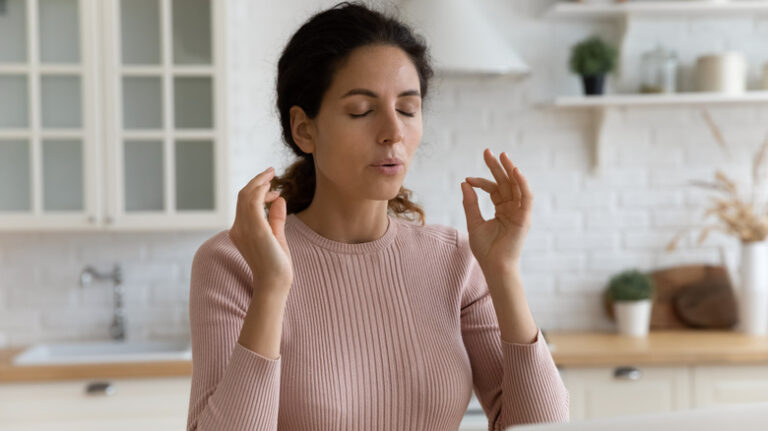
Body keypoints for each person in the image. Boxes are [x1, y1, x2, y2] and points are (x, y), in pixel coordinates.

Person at [186, 2, 569, 430]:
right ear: (304, 129)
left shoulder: (455, 262)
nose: (393, 132)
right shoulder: (235, 262)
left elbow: (543, 427)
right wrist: (272, 288)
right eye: (361, 111)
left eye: (407, 109)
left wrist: (504, 272)